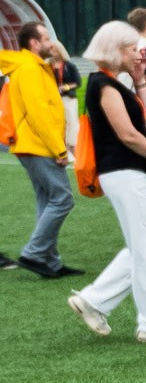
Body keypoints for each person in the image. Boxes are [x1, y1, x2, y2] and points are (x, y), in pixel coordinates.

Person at [67, 22, 146, 343]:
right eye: (132, 48)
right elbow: (128, 134)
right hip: (123, 172)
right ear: (115, 50)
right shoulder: (102, 85)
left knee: (144, 245)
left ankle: (94, 301)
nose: (139, 53)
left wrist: (139, 83)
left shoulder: (111, 83)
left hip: (127, 172)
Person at [1, 16, 81, 277]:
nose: (52, 42)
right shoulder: (31, 69)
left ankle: (49, 260)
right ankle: (35, 253)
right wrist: (59, 150)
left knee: (48, 200)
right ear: (34, 43)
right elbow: (39, 114)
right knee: (62, 199)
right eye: (46, 38)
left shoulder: (33, 66)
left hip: (33, 144)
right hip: (38, 145)